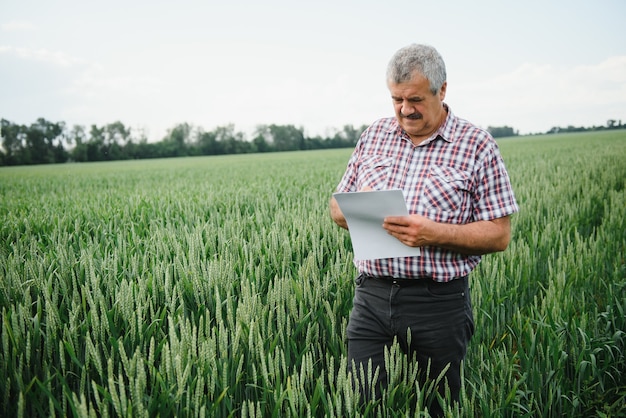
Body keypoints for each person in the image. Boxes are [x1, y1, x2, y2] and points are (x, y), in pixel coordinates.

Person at [329, 43, 519, 415]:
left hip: (439, 303)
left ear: (442, 90)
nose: (404, 109)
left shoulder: (477, 145)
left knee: (437, 407)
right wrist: (360, 207)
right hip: (371, 297)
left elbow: (499, 234)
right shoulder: (375, 135)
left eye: (414, 98)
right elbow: (337, 207)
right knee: (362, 404)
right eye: (396, 99)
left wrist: (435, 233)